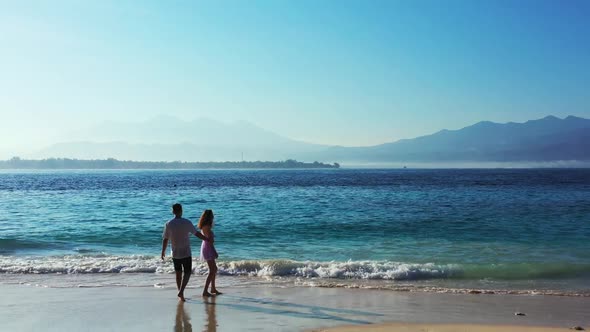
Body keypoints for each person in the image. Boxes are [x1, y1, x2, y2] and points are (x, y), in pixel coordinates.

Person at [161, 203, 210, 301]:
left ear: (173, 211)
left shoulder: (169, 224)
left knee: (178, 274)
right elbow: (196, 234)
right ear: (181, 211)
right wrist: (207, 239)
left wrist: (163, 252)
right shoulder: (187, 222)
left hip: (175, 253)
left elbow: (165, 239)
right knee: (187, 272)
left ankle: (181, 294)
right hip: (186, 252)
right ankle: (181, 291)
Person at [198, 209, 221, 297]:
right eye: (212, 215)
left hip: (206, 246)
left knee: (214, 269)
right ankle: (205, 290)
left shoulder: (204, 226)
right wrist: (214, 251)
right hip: (208, 248)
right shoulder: (207, 226)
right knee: (212, 270)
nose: (213, 217)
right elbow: (210, 241)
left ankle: (213, 288)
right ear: (209, 217)